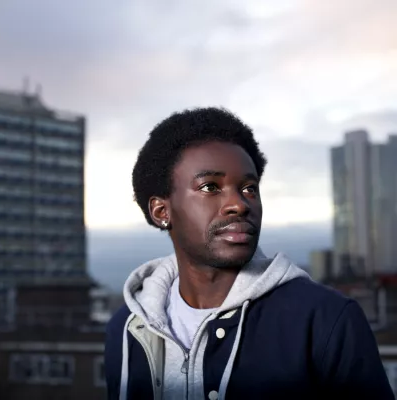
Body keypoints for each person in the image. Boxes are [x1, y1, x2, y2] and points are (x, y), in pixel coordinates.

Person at [105, 107, 393, 400]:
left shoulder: (325, 320)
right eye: (210, 187)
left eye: (249, 188)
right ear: (161, 211)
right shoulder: (127, 329)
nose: (240, 204)